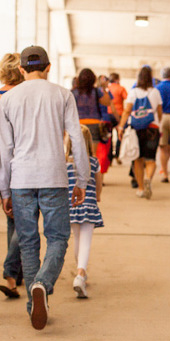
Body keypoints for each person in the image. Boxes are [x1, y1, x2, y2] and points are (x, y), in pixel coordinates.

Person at [0, 46, 88, 329]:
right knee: (58, 239)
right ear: (48, 67)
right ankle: (42, 284)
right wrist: (82, 179)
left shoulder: (8, 100)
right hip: (54, 177)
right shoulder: (63, 95)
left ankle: (32, 305)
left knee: (27, 242)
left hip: (21, 179)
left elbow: (5, 149)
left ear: (22, 69)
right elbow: (76, 136)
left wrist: (4, 191)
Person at [65, 125, 103, 298]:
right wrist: (98, 195)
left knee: (77, 237)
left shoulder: (65, 163)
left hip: (71, 206)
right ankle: (80, 274)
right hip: (88, 205)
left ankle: (80, 270)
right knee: (86, 240)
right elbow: (99, 183)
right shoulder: (93, 162)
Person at [117, 66, 163, 199]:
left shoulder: (133, 92)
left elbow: (126, 111)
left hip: (136, 129)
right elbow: (160, 112)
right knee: (151, 159)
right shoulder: (155, 92)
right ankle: (148, 177)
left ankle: (141, 188)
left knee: (137, 159)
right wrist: (158, 124)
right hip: (152, 128)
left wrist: (121, 127)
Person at [0, 52, 23, 299]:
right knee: (22, 220)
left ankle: (15, 274)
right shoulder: (22, 97)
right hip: (18, 163)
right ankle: (10, 270)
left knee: (12, 218)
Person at [72, 68, 113, 173]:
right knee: (92, 154)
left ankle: (79, 176)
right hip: (94, 124)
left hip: (78, 125)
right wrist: (104, 88)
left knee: (78, 153)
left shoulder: (73, 92)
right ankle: (91, 178)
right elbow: (107, 102)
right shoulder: (96, 91)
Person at [107, 73, 128, 163]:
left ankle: (110, 157)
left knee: (109, 136)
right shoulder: (121, 88)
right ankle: (117, 155)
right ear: (118, 79)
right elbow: (127, 97)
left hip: (108, 114)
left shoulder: (107, 89)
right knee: (120, 135)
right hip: (119, 114)